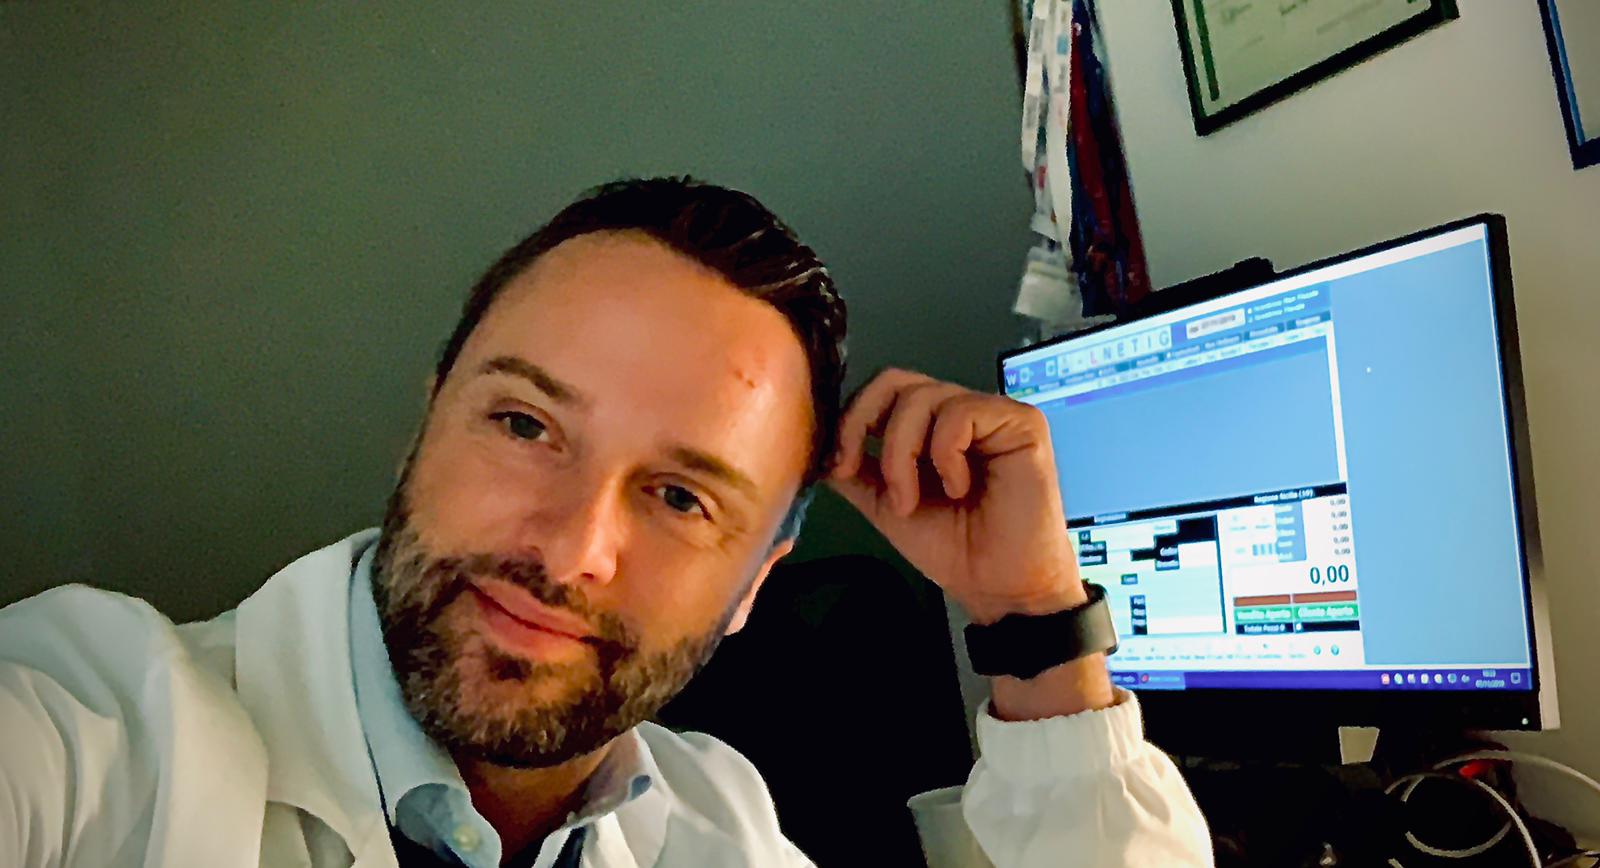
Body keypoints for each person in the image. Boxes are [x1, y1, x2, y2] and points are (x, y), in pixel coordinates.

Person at [0, 178, 1211, 867]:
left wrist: (1032, 621)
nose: (570, 547)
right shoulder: (94, 735)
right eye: (525, 424)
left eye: (681, 497)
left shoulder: (715, 826)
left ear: (755, 583)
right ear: (427, 426)